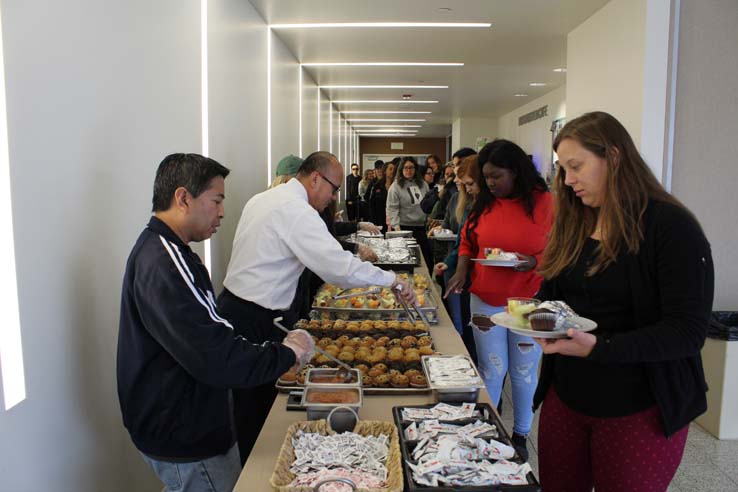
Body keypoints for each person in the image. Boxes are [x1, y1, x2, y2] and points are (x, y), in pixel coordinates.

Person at [532, 111, 713, 492]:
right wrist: (533, 314)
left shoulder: (671, 227)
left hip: (639, 405)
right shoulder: (576, 222)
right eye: (563, 169)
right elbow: (551, 292)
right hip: (568, 396)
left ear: (613, 157)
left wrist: (600, 347)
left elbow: (687, 331)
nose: (568, 181)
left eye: (576, 166)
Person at [117, 153, 315, 492]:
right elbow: (215, 355)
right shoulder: (164, 263)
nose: (222, 211)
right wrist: (286, 355)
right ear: (183, 198)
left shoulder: (172, 252)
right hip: (185, 433)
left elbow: (213, 333)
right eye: (216, 200)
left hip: (181, 423)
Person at [217, 151, 415, 463]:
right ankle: (259, 471)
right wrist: (392, 280)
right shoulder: (297, 211)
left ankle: (258, 464)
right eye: (334, 189)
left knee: (250, 403)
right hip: (255, 316)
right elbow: (339, 268)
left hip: (237, 307)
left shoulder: (264, 199)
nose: (333, 197)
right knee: (256, 409)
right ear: (314, 179)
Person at [446, 140, 553, 461]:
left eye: (497, 176)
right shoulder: (485, 202)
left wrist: (534, 262)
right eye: (486, 177)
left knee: (523, 371)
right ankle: (486, 432)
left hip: (527, 302)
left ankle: (520, 435)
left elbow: (561, 248)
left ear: (516, 171)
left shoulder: (546, 203)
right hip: (485, 299)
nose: (490, 183)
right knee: (491, 370)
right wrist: (462, 270)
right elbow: (468, 241)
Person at [433, 155, 478, 363]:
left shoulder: (479, 205)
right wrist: (451, 262)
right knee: (464, 325)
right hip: (464, 273)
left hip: (480, 280)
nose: (464, 186)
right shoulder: (466, 203)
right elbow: (464, 241)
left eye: (469, 183)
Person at [387, 156, 433, 270]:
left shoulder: (423, 184)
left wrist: (429, 218)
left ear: (415, 169)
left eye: (411, 167)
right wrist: (396, 228)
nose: (408, 170)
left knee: (426, 260)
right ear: (401, 169)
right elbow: (392, 208)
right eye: (406, 168)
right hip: (404, 228)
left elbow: (428, 204)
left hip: (421, 227)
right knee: (407, 260)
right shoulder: (396, 186)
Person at [367, 160, 395, 233]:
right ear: (385, 171)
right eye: (390, 169)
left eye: (394, 170)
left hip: (393, 220)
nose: (393, 171)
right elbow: (372, 204)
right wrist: (373, 222)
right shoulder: (377, 185)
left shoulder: (397, 186)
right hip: (379, 219)